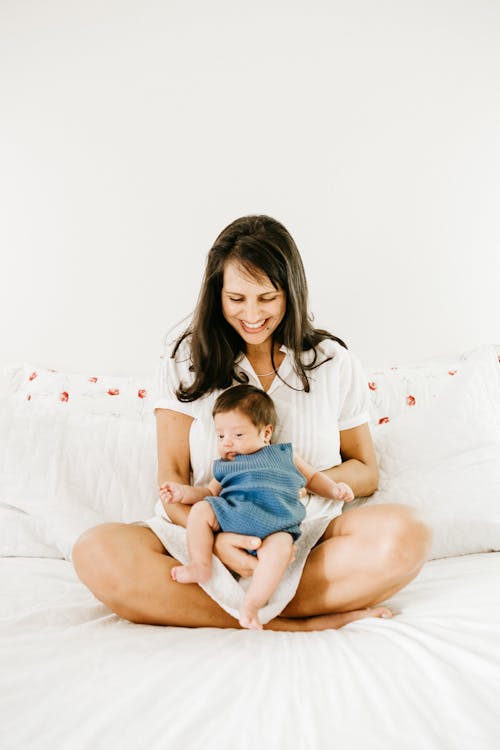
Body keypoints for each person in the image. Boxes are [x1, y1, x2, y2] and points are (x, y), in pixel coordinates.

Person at [72, 214, 432, 631]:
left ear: (291, 293)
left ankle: (250, 607)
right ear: (216, 294)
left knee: (409, 533)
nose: (253, 314)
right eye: (237, 298)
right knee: (95, 551)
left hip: (304, 536)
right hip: (210, 533)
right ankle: (296, 620)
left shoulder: (332, 362)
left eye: (267, 298)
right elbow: (171, 480)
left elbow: (365, 470)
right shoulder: (186, 359)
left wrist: (296, 482)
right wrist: (215, 540)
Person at [161, 384, 355, 629]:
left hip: (276, 524)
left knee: (281, 550)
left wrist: (335, 489)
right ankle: (200, 565)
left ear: (266, 433)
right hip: (233, 515)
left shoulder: (284, 455)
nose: (228, 443)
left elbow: (313, 478)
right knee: (201, 510)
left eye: (237, 435)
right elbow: (207, 493)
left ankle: (253, 604)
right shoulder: (224, 466)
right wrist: (181, 492)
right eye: (221, 436)